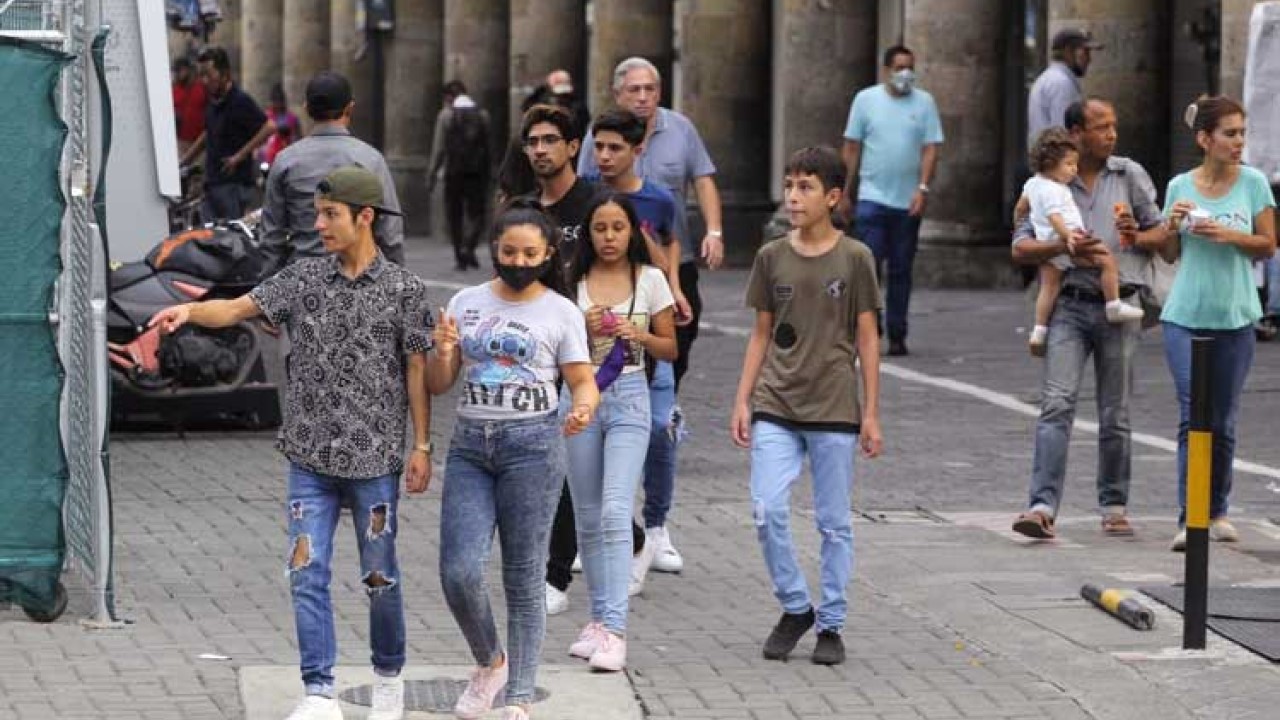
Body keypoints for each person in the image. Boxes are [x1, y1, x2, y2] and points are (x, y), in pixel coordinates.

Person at [149, 166, 434, 720]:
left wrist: (422, 446)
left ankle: (388, 681)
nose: (319, 225)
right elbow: (238, 308)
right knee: (306, 571)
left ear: (364, 217)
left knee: (380, 577)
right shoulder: (302, 279)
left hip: (375, 461)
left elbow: (417, 370)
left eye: (330, 215)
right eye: (317, 214)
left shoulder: (405, 290)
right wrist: (190, 311)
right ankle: (319, 691)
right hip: (309, 457)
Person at [427, 202, 600, 720]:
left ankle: (519, 697)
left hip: (533, 448)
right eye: (509, 252)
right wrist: (443, 353)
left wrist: (584, 408)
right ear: (494, 250)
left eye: (529, 254)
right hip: (469, 448)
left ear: (548, 256)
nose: (518, 262)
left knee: (523, 578)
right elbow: (439, 384)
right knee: (459, 572)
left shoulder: (561, 312)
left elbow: (582, 380)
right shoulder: (465, 302)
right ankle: (491, 662)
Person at [731, 146, 883, 666]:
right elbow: (761, 333)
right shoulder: (771, 256)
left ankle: (831, 623)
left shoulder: (856, 258)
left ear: (832, 197)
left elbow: (868, 338)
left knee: (833, 523)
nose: (793, 197)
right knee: (766, 508)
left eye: (805, 187)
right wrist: (743, 399)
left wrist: (871, 413)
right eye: (789, 186)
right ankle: (796, 606)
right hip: (775, 400)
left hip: (835, 407)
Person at [1010, 98, 1168, 540]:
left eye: (1114, 125)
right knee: (1057, 403)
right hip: (1070, 303)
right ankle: (1041, 507)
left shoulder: (1128, 175)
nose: (1111, 134)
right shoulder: (1048, 181)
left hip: (1120, 304)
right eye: (1101, 127)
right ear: (1076, 133)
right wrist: (1064, 247)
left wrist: (1139, 235)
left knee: (1116, 411)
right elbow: (1020, 246)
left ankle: (1114, 504)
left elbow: (1162, 235)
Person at [563, 192, 677, 672]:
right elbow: (554, 347)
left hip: (630, 396)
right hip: (580, 398)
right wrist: (582, 327)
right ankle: (597, 622)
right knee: (588, 516)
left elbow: (670, 348)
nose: (609, 237)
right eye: (600, 228)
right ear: (587, 234)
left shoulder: (649, 279)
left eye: (618, 227)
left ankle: (614, 629)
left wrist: (640, 336)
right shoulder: (571, 283)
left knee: (614, 511)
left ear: (633, 232)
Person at [1161, 96, 1276, 552]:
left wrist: (1226, 234)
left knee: (1223, 421)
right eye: (1230, 133)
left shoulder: (1253, 183)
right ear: (1204, 139)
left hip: (1235, 316)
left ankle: (1218, 510)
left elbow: (1268, 245)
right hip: (1184, 315)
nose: (1239, 141)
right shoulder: (1179, 185)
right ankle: (1190, 517)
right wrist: (1171, 226)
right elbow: (1169, 254)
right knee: (1194, 414)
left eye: (1242, 132)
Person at [588, 109, 686, 588]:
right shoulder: (588, 194)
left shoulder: (658, 199)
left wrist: (676, 288)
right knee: (597, 436)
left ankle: (657, 525)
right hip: (598, 345)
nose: (605, 157)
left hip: (646, 331)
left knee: (659, 428)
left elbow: (669, 250)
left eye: (615, 148)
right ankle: (618, 533)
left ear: (637, 150)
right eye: (599, 147)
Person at [516, 104, 607, 616]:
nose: (540, 150)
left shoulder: (595, 203)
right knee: (551, 460)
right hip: (533, 350)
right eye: (532, 142)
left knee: (568, 459)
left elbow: (622, 261)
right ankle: (634, 537)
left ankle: (554, 574)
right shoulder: (524, 210)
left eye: (550, 140)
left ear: (573, 147)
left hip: (587, 352)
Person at [839, 45, 944, 357]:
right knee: (868, 266)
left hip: (907, 201)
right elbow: (852, 147)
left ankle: (898, 332)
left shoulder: (925, 103)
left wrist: (922, 188)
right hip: (872, 197)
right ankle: (870, 324)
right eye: (899, 67)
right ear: (886, 70)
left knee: (901, 269)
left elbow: (931, 148)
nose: (905, 74)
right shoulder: (865, 100)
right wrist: (844, 191)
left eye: (910, 67)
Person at [1018, 127, 1144, 356]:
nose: (1074, 170)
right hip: (1073, 238)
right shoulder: (1055, 190)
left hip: (1047, 244)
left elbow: (1021, 208)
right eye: (1069, 165)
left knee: (1048, 286)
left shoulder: (1032, 184)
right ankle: (1113, 304)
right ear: (1049, 164)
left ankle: (1039, 330)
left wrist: (1019, 223)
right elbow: (1055, 216)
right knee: (1106, 260)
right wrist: (1068, 236)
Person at [261, 71, 405, 268]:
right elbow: (389, 232)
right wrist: (395, 275)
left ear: (307, 109)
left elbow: (272, 237)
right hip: (358, 276)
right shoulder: (370, 159)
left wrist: (270, 282)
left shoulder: (286, 161)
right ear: (350, 108)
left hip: (302, 275)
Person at [179, 47, 273, 221]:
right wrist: (184, 162)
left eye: (209, 75)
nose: (205, 81)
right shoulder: (213, 102)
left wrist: (239, 156)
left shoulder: (240, 100)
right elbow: (208, 133)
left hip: (234, 185)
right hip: (212, 183)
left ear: (224, 74)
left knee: (230, 232)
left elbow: (269, 127)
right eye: (201, 75)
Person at [427, 82, 492, 271]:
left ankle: (459, 255)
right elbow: (488, 147)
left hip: (453, 172)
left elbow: (438, 148)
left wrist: (432, 174)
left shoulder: (446, 116)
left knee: (454, 214)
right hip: (477, 173)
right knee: (477, 213)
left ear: (448, 97)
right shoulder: (483, 115)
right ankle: (469, 246)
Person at [1027, 29, 1103, 153]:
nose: (1089, 59)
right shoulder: (1061, 83)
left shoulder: (1052, 77)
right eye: (1085, 52)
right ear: (1068, 52)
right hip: (1057, 160)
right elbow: (1064, 134)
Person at [521, 69, 592, 141]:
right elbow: (527, 108)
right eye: (559, 95)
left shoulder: (577, 106)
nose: (562, 98)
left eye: (564, 95)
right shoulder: (546, 103)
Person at [260, 82, 303, 167]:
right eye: (275, 102)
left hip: (287, 156)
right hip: (268, 157)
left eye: (280, 101)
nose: (278, 105)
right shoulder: (266, 117)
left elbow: (298, 138)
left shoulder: (292, 118)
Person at [171, 57, 207, 156]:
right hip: (180, 142)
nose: (177, 74)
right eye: (175, 71)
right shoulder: (173, 90)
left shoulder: (202, 87)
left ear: (188, 70)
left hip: (201, 142)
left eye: (179, 70)